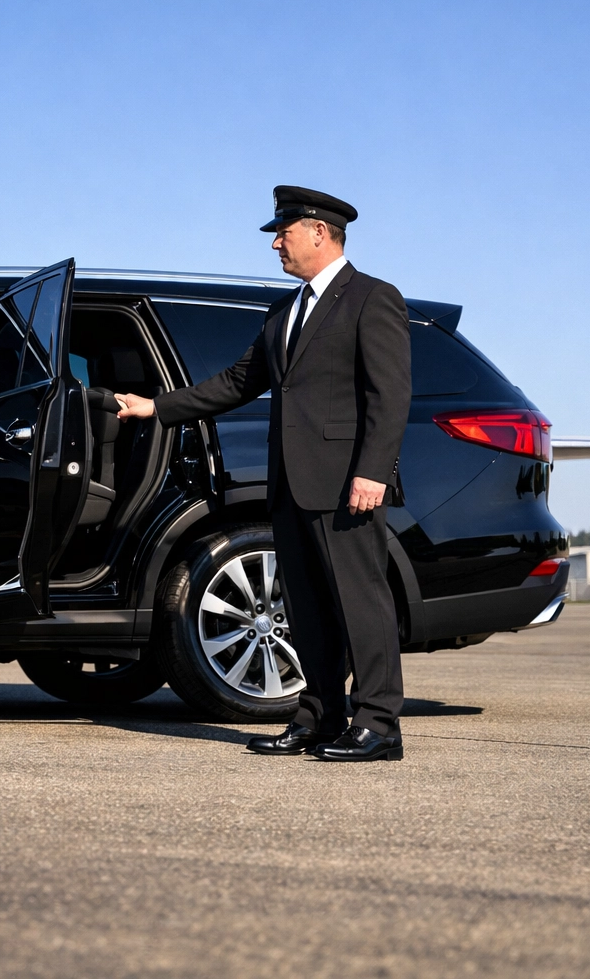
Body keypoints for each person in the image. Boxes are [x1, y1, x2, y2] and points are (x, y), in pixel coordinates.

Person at [114, 186, 411, 761]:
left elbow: (390, 394)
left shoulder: (372, 298)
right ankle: (319, 718)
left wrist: (373, 471)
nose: (276, 243)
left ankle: (379, 725)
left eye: (284, 232)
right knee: (305, 608)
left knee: (360, 603)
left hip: (347, 484)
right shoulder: (284, 312)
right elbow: (237, 381)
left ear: (320, 232)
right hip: (291, 483)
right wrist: (157, 407)